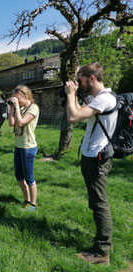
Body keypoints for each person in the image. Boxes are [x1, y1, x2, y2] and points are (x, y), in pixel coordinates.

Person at [65, 62, 117, 264]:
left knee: (99, 203)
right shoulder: (97, 99)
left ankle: (102, 251)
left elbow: (73, 117)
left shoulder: (104, 99)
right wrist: (75, 95)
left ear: (92, 78)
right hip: (92, 155)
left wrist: (70, 94)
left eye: (81, 80)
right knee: (96, 201)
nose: (79, 83)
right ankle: (103, 240)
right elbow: (79, 111)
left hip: (97, 158)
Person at [8, 85, 39, 211]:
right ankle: (26, 200)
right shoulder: (19, 108)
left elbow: (21, 122)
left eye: (18, 98)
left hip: (28, 147)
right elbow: (11, 123)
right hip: (19, 146)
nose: (16, 101)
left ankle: (33, 205)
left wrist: (16, 107)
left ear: (25, 96)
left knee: (29, 177)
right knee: (19, 176)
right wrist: (11, 108)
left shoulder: (34, 108)